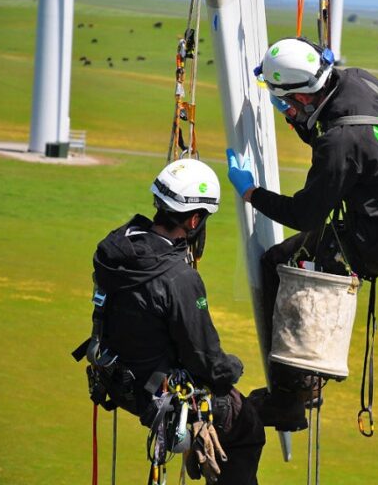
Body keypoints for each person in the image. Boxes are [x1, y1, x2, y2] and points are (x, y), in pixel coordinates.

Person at [225, 37, 378, 428]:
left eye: (284, 102)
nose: (283, 109)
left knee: (281, 264)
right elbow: (342, 137)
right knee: (302, 253)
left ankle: (291, 397)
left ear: (302, 97)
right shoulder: (357, 81)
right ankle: (303, 384)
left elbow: (305, 213)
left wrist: (252, 193)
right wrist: (302, 124)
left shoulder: (339, 141)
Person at [76, 159, 266, 485]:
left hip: (118, 380)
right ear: (194, 220)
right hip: (159, 396)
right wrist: (231, 369)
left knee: (241, 405)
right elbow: (205, 360)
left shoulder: (115, 248)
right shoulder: (178, 278)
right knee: (246, 424)